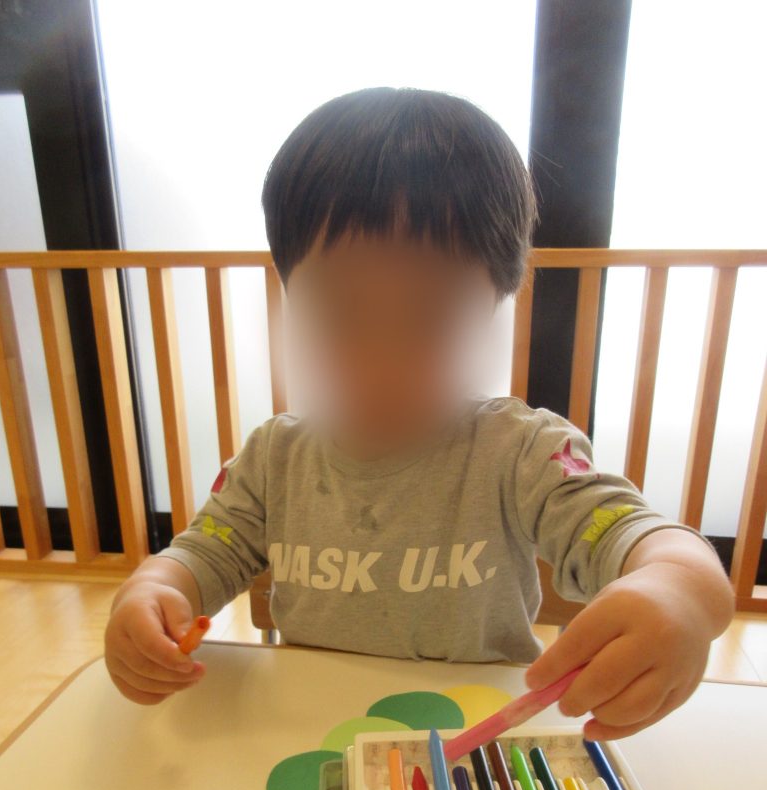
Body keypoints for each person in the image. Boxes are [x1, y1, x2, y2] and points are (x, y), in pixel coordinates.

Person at [104, 87, 733, 739]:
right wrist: (153, 592)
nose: (384, 363)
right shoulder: (273, 459)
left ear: (492, 307)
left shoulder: (523, 453)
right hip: (315, 733)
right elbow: (202, 553)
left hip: (472, 738)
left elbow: (634, 532)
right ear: (290, 295)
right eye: (342, 314)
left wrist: (680, 588)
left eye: (430, 320)